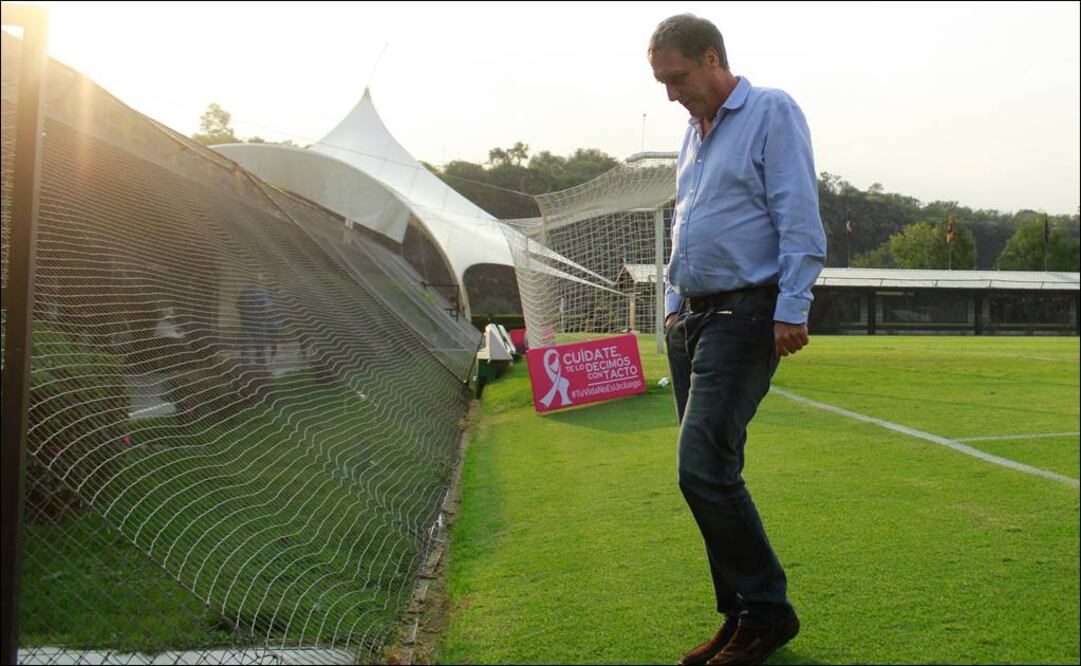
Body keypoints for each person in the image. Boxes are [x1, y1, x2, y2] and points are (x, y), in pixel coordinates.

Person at [648, 14, 827, 666]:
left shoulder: (770, 111)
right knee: (712, 474)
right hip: (691, 320)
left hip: (744, 314)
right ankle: (739, 617)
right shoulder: (690, 137)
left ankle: (769, 614)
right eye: (662, 84)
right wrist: (673, 307)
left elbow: (796, 211)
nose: (672, 94)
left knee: (700, 468)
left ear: (711, 58)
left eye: (678, 78)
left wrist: (792, 305)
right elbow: (688, 224)